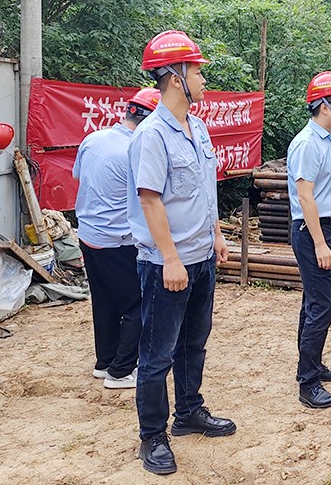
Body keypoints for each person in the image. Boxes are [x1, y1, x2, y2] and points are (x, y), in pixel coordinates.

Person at [127, 31, 235, 476]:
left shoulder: (198, 127)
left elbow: (205, 189)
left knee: (194, 341)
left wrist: (217, 234)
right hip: (166, 265)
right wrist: (171, 258)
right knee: (157, 354)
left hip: (202, 255)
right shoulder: (152, 135)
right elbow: (150, 200)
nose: (203, 79)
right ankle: (152, 436)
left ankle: (189, 411)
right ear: (175, 78)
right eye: (197, 71)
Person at [73, 87, 160, 390]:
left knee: (105, 301)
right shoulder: (136, 152)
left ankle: (105, 362)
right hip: (117, 240)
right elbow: (149, 199)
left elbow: (78, 176)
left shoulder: (93, 139)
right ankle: (121, 371)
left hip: (88, 235)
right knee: (138, 305)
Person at [288, 71, 331, 409]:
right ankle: (308, 383)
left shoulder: (329, 139)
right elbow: (305, 197)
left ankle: (312, 364)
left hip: (329, 226)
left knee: (314, 302)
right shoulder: (307, 144)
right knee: (321, 306)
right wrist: (319, 242)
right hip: (312, 231)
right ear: (325, 106)